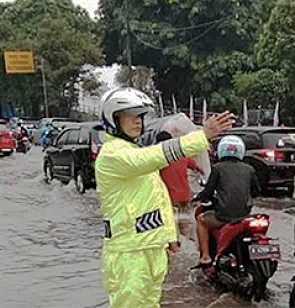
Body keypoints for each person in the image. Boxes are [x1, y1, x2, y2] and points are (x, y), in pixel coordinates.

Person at [95, 87, 234, 308]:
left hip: (151, 248)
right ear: (114, 119)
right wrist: (202, 136)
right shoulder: (113, 156)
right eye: (130, 116)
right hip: (129, 253)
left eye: (140, 116)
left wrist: (170, 237)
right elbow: (157, 155)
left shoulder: (133, 150)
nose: (138, 121)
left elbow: (157, 200)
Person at [194, 135, 260, 266]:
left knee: (201, 220)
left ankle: (206, 256)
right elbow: (256, 192)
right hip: (244, 217)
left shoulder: (217, 168)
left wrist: (200, 197)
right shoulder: (249, 169)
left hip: (223, 216)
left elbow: (208, 191)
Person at [156, 130, 205, 237]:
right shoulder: (182, 155)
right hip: (184, 196)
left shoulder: (160, 158)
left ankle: (175, 248)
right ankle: (186, 246)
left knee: (170, 225)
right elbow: (197, 167)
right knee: (184, 224)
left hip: (169, 197)